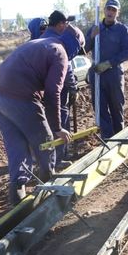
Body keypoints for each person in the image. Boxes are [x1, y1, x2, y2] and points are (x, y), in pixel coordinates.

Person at [0, 24, 85, 205]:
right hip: (20, 97)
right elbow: (53, 92)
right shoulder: (60, 53)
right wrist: (57, 128)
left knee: (17, 145)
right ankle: (48, 190)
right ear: (75, 45)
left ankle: (17, 193)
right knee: (46, 142)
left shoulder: (43, 43)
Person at [85, 0, 128, 139]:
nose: (110, 12)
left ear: (118, 12)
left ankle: (119, 138)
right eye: (108, 9)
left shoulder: (123, 30)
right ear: (104, 10)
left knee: (116, 107)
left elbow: (127, 52)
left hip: (114, 75)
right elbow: (84, 49)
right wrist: (92, 37)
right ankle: (107, 139)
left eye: (114, 10)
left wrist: (108, 64)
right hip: (97, 75)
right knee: (100, 109)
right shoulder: (95, 28)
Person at [41, 10, 79, 165]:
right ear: (60, 24)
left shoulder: (41, 38)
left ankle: (50, 160)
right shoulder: (58, 41)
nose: (67, 26)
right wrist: (73, 87)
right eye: (66, 23)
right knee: (60, 122)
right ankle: (59, 158)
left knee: (48, 122)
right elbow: (67, 68)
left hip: (42, 88)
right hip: (58, 88)